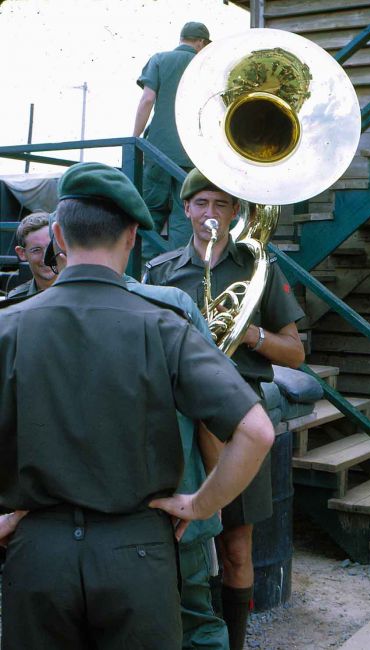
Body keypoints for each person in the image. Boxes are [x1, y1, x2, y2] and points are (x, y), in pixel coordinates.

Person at [0, 162, 274, 650]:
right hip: (139, 555)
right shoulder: (165, 325)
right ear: (131, 236)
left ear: (59, 235)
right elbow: (256, 432)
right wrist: (200, 504)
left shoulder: (8, 328)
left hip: (37, 553)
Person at [145, 168, 306, 650]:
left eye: (221, 205)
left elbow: (296, 353)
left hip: (239, 422)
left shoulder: (259, 266)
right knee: (175, 541)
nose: (210, 214)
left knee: (237, 548)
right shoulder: (160, 272)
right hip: (174, 422)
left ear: (235, 212)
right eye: (201, 204)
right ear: (186, 209)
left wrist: (246, 332)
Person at [133, 21, 211, 261]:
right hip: (191, 156)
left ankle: (143, 274)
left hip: (157, 151)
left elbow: (147, 100)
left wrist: (134, 139)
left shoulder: (159, 59)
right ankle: (179, 271)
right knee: (183, 216)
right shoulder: (205, 66)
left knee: (150, 214)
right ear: (199, 42)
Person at [6, 211, 56, 298]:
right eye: (36, 250)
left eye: (51, 248)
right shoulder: (17, 300)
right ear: (22, 253)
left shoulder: (83, 294)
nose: (45, 258)